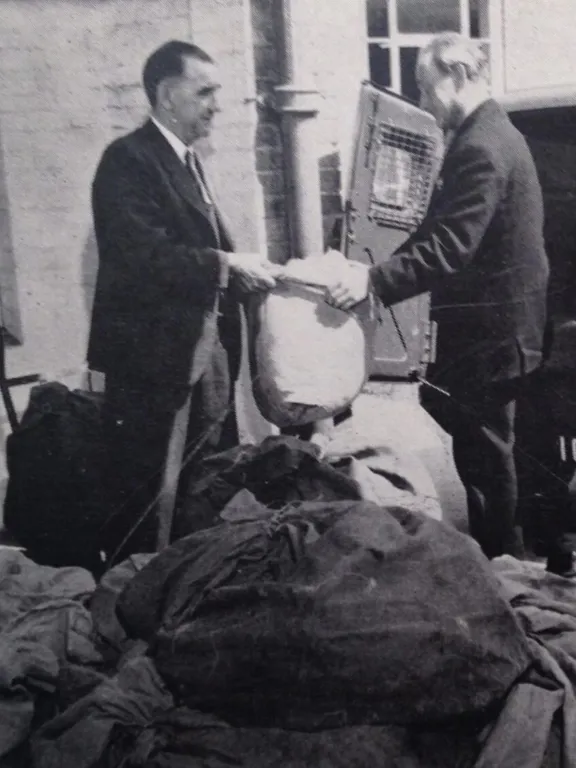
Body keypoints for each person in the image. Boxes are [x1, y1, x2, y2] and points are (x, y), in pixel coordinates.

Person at [324, 33, 550, 563]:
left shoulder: (481, 145)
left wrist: (373, 282)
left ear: (457, 77)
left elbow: (450, 246)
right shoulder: (487, 134)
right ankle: (519, 563)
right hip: (502, 333)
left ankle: (501, 573)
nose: (424, 103)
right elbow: (434, 231)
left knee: (488, 466)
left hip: (493, 338)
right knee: (495, 458)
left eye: (427, 88)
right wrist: (370, 269)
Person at [87, 40, 278, 558]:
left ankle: (194, 592)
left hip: (200, 363)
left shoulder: (187, 162)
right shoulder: (127, 161)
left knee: (205, 487)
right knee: (154, 501)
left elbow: (197, 249)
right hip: (157, 372)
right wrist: (227, 264)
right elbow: (143, 257)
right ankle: (141, 604)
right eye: (206, 91)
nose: (216, 103)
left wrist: (251, 271)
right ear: (169, 96)